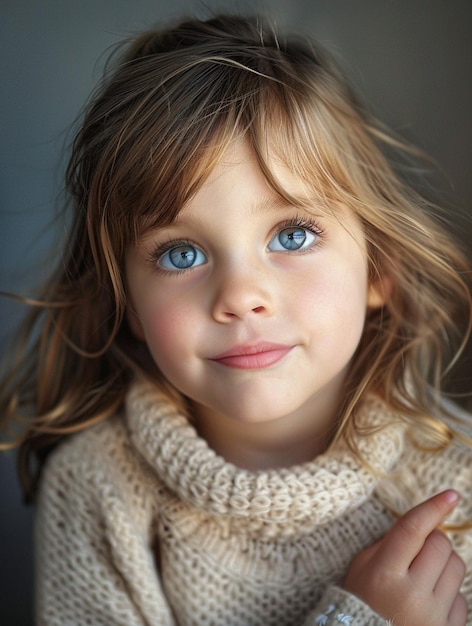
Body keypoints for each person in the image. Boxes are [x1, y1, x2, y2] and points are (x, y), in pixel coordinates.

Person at [0, 12, 471, 626]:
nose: (241, 296)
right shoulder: (96, 490)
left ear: (378, 269)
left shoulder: (454, 483)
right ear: (129, 304)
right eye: (181, 253)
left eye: (294, 234)